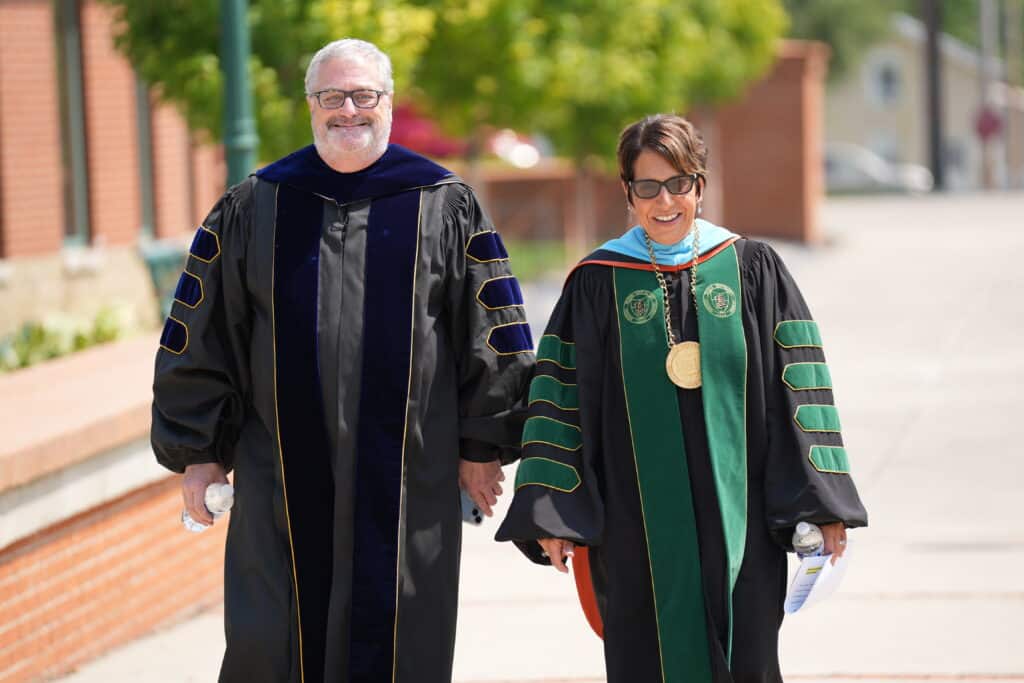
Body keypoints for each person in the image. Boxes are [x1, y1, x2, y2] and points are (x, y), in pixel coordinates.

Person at [151, 38, 534, 683]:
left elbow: (490, 327)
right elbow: (202, 331)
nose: (348, 110)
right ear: (311, 106)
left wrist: (482, 445)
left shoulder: (443, 202)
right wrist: (199, 451)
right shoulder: (256, 206)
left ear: (387, 103)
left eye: (364, 95)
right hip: (279, 480)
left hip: (411, 477)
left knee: (401, 645)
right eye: (333, 97)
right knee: (273, 643)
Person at [496, 114, 868, 682]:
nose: (664, 201)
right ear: (627, 192)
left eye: (679, 183)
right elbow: (559, 399)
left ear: (700, 184)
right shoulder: (597, 282)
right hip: (634, 528)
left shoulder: (751, 269)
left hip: (738, 520)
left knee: (746, 657)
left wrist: (820, 503)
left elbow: (800, 385)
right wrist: (553, 509)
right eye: (647, 187)